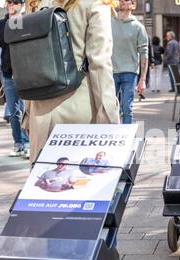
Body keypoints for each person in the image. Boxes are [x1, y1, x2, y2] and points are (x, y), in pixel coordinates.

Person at [22, 0, 120, 164]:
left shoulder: (36, 3)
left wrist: (28, 114)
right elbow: (100, 64)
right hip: (80, 109)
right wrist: (110, 118)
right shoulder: (95, 3)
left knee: (43, 183)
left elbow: (30, 63)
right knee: (82, 182)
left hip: (40, 111)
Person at [0, 0, 30, 158]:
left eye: (16, 1)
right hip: (8, 74)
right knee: (14, 112)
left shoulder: (28, 21)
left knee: (28, 110)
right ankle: (19, 144)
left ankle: (30, 143)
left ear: (21, 4)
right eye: (9, 1)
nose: (12, 4)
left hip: (28, 73)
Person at [111, 0, 149, 124]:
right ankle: (110, 137)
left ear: (133, 4)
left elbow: (144, 53)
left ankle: (125, 138)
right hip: (110, 72)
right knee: (109, 108)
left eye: (127, 0)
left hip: (130, 73)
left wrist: (142, 80)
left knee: (126, 108)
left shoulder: (138, 27)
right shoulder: (109, 22)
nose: (123, 1)